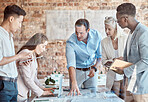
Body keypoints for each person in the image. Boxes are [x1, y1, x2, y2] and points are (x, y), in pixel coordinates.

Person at [114, 3, 148, 102]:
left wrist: (125, 70)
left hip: (141, 88)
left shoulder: (144, 33)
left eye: (118, 20)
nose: (118, 23)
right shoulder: (131, 32)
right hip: (130, 85)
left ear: (125, 19)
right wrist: (123, 60)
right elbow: (134, 57)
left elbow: (146, 61)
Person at [0, 5, 32, 101]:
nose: (20, 26)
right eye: (19, 22)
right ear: (11, 19)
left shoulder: (9, 35)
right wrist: (19, 56)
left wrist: (19, 62)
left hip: (13, 85)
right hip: (4, 85)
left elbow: (7, 61)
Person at [66, 18, 102, 96]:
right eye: (76, 32)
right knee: (75, 94)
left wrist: (95, 68)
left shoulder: (97, 36)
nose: (78, 36)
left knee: (93, 96)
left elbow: (100, 57)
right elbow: (71, 64)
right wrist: (73, 82)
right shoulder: (70, 42)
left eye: (81, 33)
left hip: (91, 71)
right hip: (77, 72)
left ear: (88, 30)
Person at [17, 33, 55, 101]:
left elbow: (34, 77)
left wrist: (42, 88)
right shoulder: (26, 54)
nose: (44, 49)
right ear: (36, 43)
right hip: (19, 93)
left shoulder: (33, 54)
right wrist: (41, 93)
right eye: (43, 46)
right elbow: (27, 79)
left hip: (23, 93)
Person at [101, 16, 127, 99]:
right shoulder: (104, 42)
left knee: (125, 99)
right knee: (113, 99)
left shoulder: (125, 38)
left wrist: (123, 59)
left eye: (109, 29)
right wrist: (113, 61)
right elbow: (103, 60)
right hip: (112, 76)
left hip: (125, 75)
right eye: (105, 29)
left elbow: (131, 57)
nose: (106, 31)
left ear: (115, 28)